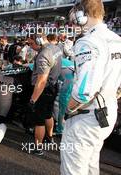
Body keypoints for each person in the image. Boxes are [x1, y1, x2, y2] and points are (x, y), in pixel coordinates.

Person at [61, 0, 121, 174]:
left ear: (81, 16)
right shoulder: (116, 39)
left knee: (74, 169)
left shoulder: (88, 42)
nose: (73, 24)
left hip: (86, 116)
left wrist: (67, 111)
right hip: (108, 111)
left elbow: (83, 93)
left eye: (74, 19)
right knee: (90, 164)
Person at [30, 33, 62, 155]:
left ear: (39, 41)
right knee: (48, 115)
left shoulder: (44, 54)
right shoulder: (56, 48)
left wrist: (33, 99)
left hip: (43, 90)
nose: (31, 46)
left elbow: (41, 81)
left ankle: (38, 148)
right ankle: (50, 139)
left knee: (39, 120)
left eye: (32, 43)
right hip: (53, 87)